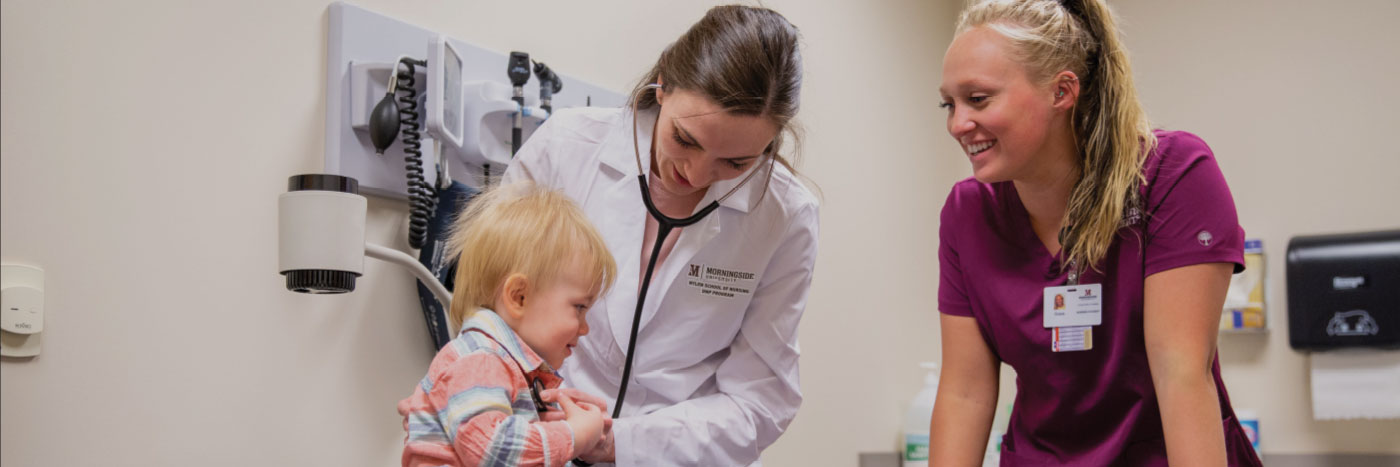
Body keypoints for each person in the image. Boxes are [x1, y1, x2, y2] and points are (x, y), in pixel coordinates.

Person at [930, 0, 1262, 465]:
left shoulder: (1172, 176)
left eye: (978, 99)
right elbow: (965, 392)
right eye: (950, 104)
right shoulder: (968, 214)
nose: (957, 124)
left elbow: (1181, 375)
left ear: (1062, 91)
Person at [502, 5, 818, 465]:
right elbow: (490, 315)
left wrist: (617, 442)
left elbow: (759, 400)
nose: (696, 174)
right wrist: (553, 427)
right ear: (664, 83)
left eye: (736, 163)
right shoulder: (564, 150)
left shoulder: (784, 216)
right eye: (686, 140)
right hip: (540, 441)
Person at [396, 182, 619, 467]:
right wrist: (573, 435)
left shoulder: (508, 370)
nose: (585, 328)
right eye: (579, 308)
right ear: (519, 297)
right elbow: (493, 451)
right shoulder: (480, 361)